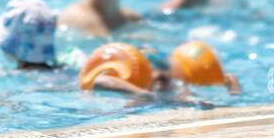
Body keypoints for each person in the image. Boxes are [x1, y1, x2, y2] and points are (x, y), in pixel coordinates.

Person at [78, 40, 241, 96]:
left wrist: (233, 90)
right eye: (149, 63)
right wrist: (140, 93)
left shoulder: (177, 88)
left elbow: (208, 108)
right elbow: (98, 80)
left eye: (160, 62)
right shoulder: (134, 85)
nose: (157, 71)